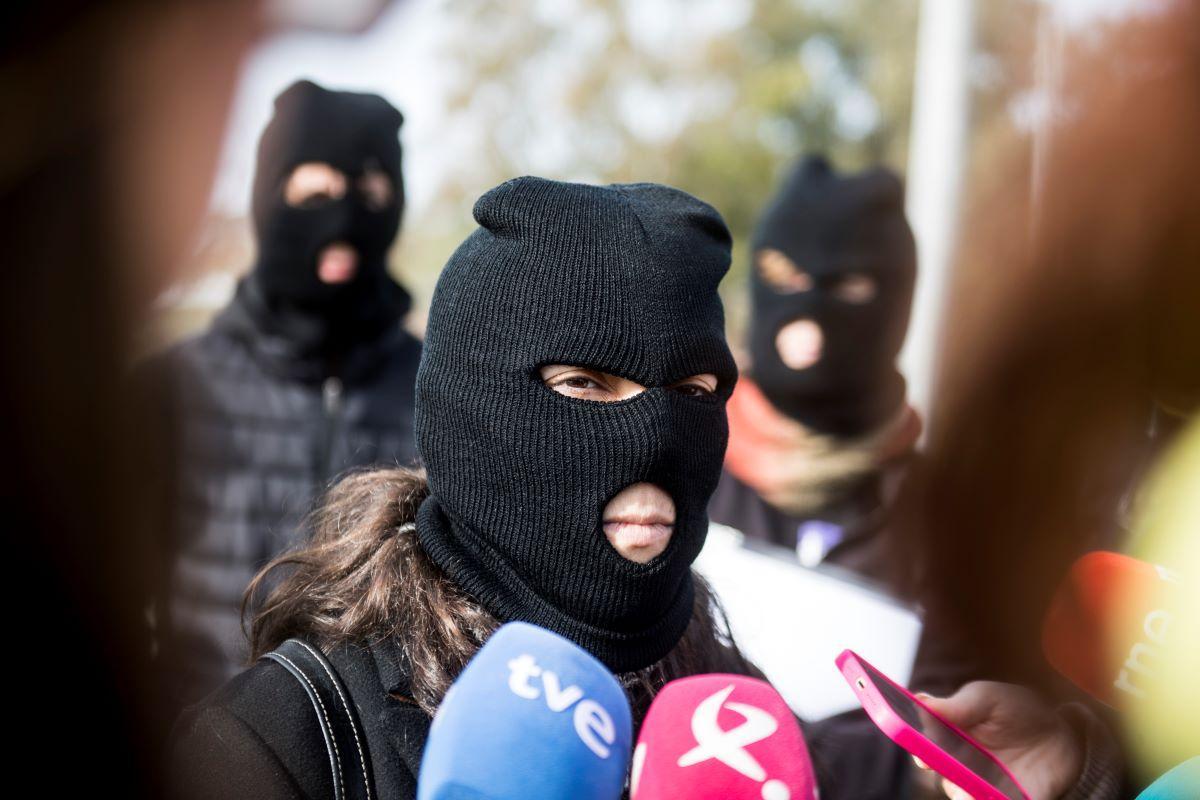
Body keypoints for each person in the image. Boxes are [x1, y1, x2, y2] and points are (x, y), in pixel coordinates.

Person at [168, 176, 1117, 800]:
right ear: (471, 406)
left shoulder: (732, 729)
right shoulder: (283, 745)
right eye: (586, 385)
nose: (655, 435)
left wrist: (1061, 778)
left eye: (695, 393)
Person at [145, 79, 423, 707]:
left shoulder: (436, 391)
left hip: (365, 756)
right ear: (271, 194)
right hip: (199, 742)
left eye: (372, 193)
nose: (345, 215)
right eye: (317, 191)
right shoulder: (175, 388)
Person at [708, 155, 919, 586]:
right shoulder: (689, 462)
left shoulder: (936, 513)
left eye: (846, 287)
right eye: (785, 280)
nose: (808, 314)